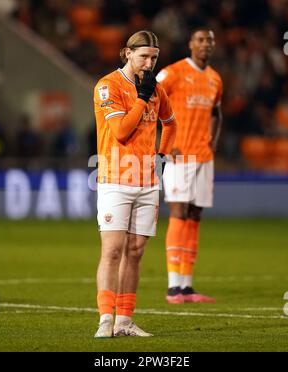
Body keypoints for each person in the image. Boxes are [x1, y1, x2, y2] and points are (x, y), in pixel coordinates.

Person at [93, 30, 176, 337]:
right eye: (144, 56)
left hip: (147, 181)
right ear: (127, 53)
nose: (149, 63)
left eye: (154, 57)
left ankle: (125, 320)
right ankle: (105, 319)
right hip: (115, 178)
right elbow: (121, 132)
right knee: (113, 250)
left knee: (136, 251)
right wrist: (141, 99)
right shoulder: (107, 86)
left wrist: (162, 156)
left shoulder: (157, 89)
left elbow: (170, 123)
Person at [157, 28, 223, 304]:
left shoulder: (215, 79)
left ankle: (186, 286)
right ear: (190, 44)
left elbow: (217, 113)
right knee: (179, 211)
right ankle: (173, 287)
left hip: (204, 156)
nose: (205, 44)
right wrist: (164, 139)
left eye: (209, 40)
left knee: (195, 215)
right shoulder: (172, 72)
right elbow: (152, 100)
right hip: (179, 154)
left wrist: (213, 143)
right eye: (200, 40)